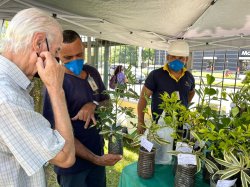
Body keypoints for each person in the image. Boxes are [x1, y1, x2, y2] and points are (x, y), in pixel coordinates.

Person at [0, 8, 75, 187]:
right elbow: (65, 157)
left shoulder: (12, 87)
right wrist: (56, 89)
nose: (57, 62)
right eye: (56, 52)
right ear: (38, 42)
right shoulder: (8, 98)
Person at [43, 30, 122, 187]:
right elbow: (57, 134)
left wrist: (94, 105)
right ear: (57, 54)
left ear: (84, 48)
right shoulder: (55, 83)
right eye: (68, 57)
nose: (76, 61)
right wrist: (95, 158)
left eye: (79, 55)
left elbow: (108, 102)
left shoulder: (92, 72)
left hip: (97, 154)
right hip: (73, 165)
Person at [137, 40, 195, 163]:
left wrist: (184, 105)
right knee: (160, 159)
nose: (177, 60)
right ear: (167, 57)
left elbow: (191, 92)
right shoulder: (156, 75)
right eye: (173, 57)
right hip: (161, 125)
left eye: (181, 58)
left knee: (177, 158)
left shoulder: (189, 77)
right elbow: (143, 99)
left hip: (181, 126)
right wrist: (140, 121)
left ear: (186, 59)